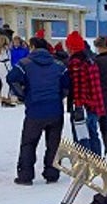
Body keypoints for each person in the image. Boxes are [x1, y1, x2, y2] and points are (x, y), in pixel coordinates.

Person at [6, 36, 69, 185]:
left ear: (33, 46)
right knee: (53, 144)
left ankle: (25, 176)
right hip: (55, 111)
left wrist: (22, 95)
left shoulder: (25, 64)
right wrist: (59, 96)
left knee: (29, 143)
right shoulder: (58, 65)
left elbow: (11, 78)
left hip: (35, 110)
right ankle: (52, 173)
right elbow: (67, 85)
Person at [65, 31, 104, 155]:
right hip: (94, 104)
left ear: (71, 47)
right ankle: (98, 162)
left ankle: (85, 165)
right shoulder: (90, 59)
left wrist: (77, 105)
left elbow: (77, 86)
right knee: (93, 134)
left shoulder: (75, 62)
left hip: (83, 105)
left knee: (82, 137)